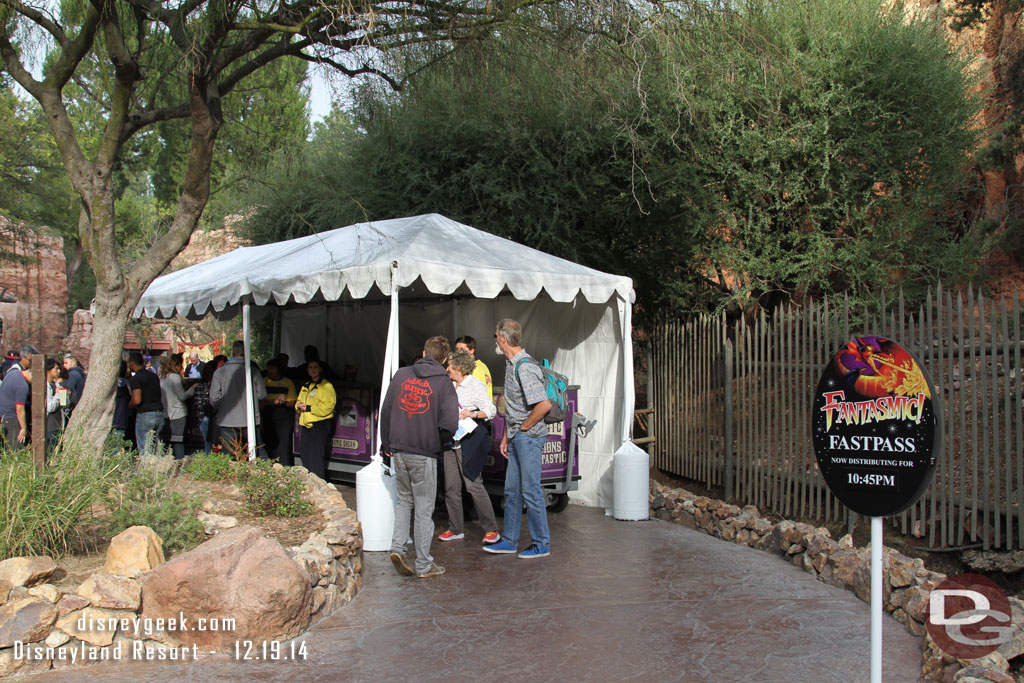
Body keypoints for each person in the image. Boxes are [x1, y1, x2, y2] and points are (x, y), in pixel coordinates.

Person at [381, 336, 459, 579]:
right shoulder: (444, 383)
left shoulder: (402, 375)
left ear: (423, 351)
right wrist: (438, 442)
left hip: (398, 449)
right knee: (424, 509)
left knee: (404, 501)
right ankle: (424, 564)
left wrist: (387, 444)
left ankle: (398, 548)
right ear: (445, 359)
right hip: (424, 452)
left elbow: (386, 410)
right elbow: (450, 423)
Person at [484, 319, 553, 559]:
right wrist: (506, 436)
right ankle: (510, 540)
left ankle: (541, 543)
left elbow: (543, 405)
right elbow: (515, 407)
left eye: (496, 336)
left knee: (530, 490)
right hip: (516, 436)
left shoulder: (524, 367)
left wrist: (522, 428)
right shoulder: (512, 364)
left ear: (503, 338)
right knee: (512, 490)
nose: (495, 341)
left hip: (528, 438)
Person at [439, 349, 501, 545]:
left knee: (473, 484)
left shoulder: (474, 385)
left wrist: (472, 414)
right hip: (451, 442)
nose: (447, 368)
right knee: (451, 487)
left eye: (449, 365)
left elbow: (491, 410)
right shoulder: (448, 385)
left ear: (459, 367)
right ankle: (455, 528)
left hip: (469, 441)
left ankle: (492, 529)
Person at [209, 341, 267, 456]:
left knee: (229, 456)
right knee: (257, 452)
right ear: (246, 352)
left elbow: (214, 398)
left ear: (232, 352)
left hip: (227, 420)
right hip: (250, 420)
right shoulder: (252, 371)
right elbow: (262, 394)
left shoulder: (219, 372)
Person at [295, 359, 335, 478]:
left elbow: (328, 406)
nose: (313, 370)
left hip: (319, 424)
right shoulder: (306, 385)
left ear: (320, 369)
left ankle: (319, 482)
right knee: (305, 454)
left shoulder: (326, 386)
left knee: (315, 456)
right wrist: (298, 406)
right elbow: (298, 401)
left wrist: (308, 408)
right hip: (306, 424)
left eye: (315, 367)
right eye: (310, 367)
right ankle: (309, 481)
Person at [127, 350, 165, 457]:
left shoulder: (136, 379)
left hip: (145, 415)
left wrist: (129, 405)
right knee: (157, 449)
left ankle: (146, 470)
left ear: (132, 363)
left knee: (145, 450)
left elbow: (136, 399)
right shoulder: (153, 376)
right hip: (159, 413)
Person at [0, 345, 37, 449]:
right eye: (30, 361)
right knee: (16, 449)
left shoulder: (14, 374)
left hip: (5, 417)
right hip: (12, 419)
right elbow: (20, 409)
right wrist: (23, 428)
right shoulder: (22, 384)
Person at [160, 353, 195, 459]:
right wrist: (193, 388)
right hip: (178, 412)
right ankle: (179, 464)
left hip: (166, 412)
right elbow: (182, 396)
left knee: (167, 442)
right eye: (181, 365)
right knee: (178, 442)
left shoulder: (163, 377)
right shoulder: (175, 377)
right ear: (176, 365)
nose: (182, 367)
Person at [263, 358, 298, 466]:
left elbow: (292, 402)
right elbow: (259, 401)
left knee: (284, 442)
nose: (270, 371)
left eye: (273, 368)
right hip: (267, 414)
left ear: (279, 369)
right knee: (268, 441)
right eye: (268, 368)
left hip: (284, 415)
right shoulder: (263, 381)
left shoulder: (287, 382)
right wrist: (272, 402)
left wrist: (282, 402)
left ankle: (284, 466)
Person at [455, 335, 493, 401]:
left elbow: (477, 395)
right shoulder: (482, 365)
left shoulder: (474, 369)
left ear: (472, 350)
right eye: (457, 349)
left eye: (462, 349)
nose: (458, 352)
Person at [43, 358, 64, 449]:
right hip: (50, 427)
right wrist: (58, 395)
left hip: (59, 424)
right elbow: (49, 407)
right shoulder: (46, 386)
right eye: (56, 368)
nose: (58, 371)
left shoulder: (56, 384)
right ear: (48, 370)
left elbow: (63, 404)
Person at [112, 360, 130, 440]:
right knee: (117, 448)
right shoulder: (127, 384)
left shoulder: (109, 384)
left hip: (107, 420)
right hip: (121, 420)